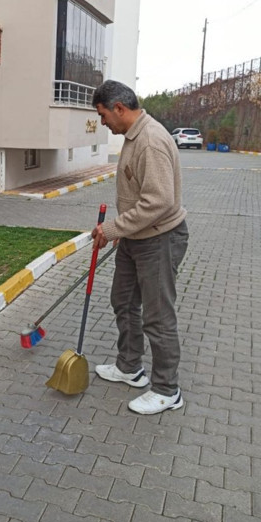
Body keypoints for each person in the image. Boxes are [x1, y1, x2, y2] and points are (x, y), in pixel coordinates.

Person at [90, 80, 189, 415]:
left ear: (119, 108)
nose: (103, 123)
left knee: (158, 317)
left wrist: (113, 227)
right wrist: (122, 230)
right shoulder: (134, 136)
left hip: (159, 239)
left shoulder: (150, 140)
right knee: (123, 300)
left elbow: (158, 202)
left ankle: (166, 390)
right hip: (137, 238)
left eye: (103, 115)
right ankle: (130, 367)